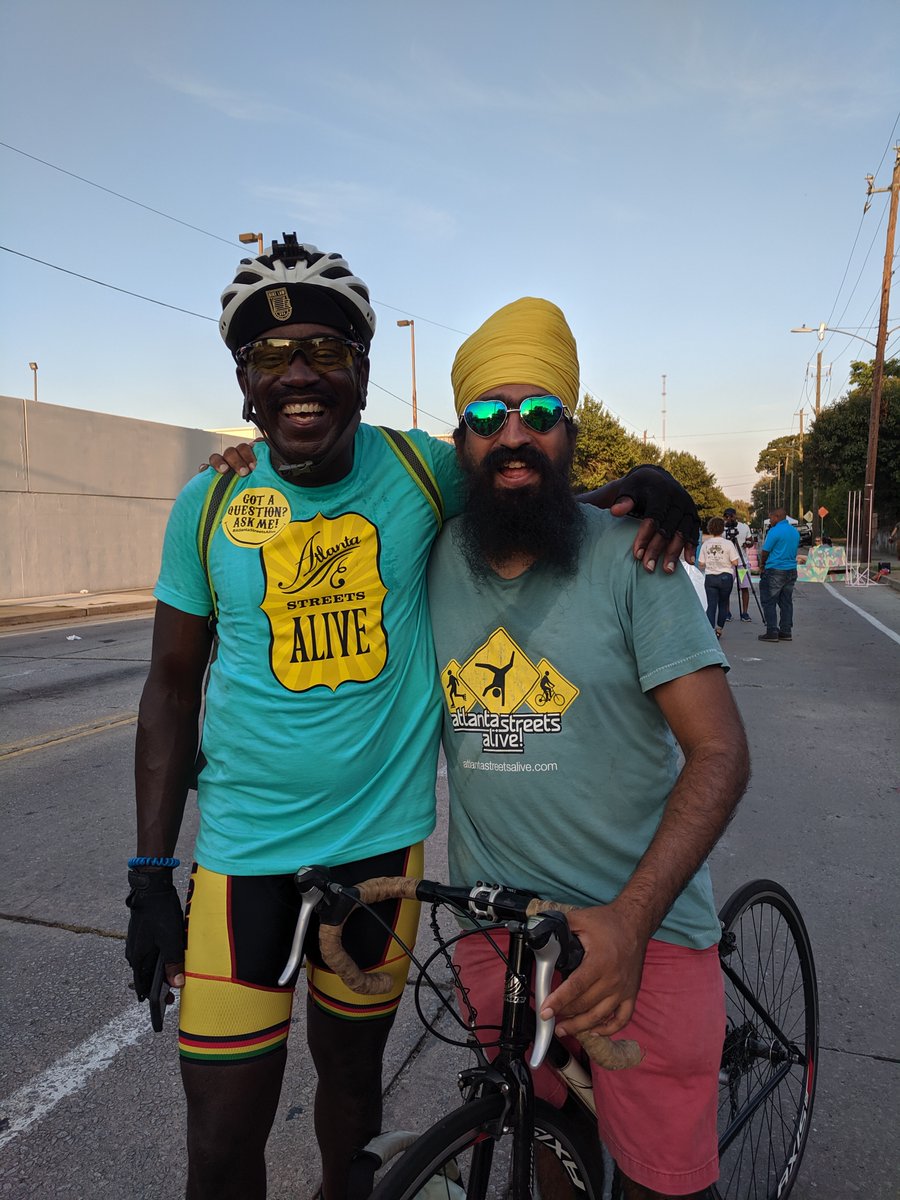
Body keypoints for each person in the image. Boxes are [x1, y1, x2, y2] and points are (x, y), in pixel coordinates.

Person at [126, 236, 703, 1200]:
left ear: (363, 377)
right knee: (221, 1140)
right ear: (242, 386)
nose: (299, 374)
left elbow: (520, 470)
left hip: (378, 865)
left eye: (326, 353)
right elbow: (170, 687)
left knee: (353, 1107)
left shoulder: (420, 471)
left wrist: (641, 483)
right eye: (272, 358)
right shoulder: (210, 501)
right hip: (239, 863)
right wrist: (150, 872)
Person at [428, 297, 749, 1199]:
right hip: (500, 931)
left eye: (540, 414)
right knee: (548, 1136)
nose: (514, 435)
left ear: (572, 430)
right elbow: (333, 462)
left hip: (642, 932)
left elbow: (721, 753)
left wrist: (632, 921)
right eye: (489, 417)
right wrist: (251, 460)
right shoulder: (431, 550)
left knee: (663, 1184)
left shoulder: (635, 557)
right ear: (461, 441)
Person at [757, 507, 800, 643]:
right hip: (791, 569)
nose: (770, 521)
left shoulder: (774, 531)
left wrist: (762, 565)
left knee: (769, 601)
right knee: (786, 602)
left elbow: (765, 551)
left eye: (771, 518)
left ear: (776, 517)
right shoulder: (794, 532)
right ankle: (786, 631)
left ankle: (772, 631)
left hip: (775, 570)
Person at [697, 517, 739, 637]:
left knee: (711, 605)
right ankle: (719, 629)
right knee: (723, 603)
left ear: (710, 529)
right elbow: (735, 562)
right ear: (722, 529)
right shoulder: (728, 544)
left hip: (710, 576)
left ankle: (710, 630)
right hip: (725, 576)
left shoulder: (706, 544)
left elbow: (701, 563)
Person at [722, 507, 751, 621]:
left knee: (744, 588)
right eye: (726, 517)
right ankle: (727, 612)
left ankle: (745, 613)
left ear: (735, 516)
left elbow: (751, 541)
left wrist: (747, 544)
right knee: (726, 589)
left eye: (731, 516)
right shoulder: (722, 528)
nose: (728, 519)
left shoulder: (744, 527)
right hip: (727, 564)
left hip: (741, 563)